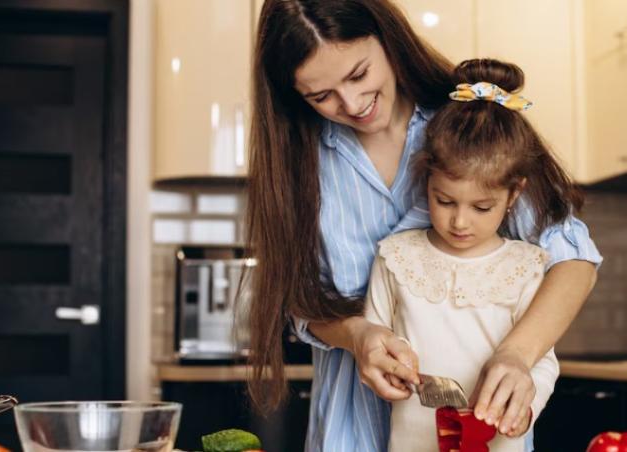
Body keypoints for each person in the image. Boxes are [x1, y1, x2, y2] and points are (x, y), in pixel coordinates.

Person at [244, 1, 603, 451]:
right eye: (321, 96)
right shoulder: (297, 160)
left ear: (387, 38)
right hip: (348, 430)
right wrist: (358, 335)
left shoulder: (472, 125)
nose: (351, 104)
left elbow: (575, 259)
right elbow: (299, 304)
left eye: (358, 75)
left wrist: (517, 356)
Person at [364, 58, 572, 452]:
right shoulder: (395, 258)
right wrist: (388, 371)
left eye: (482, 208)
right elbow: (376, 343)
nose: (460, 222)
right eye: (444, 201)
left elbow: (543, 361)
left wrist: (524, 407)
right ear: (427, 181)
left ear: (514, 195)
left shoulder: (525, 267)